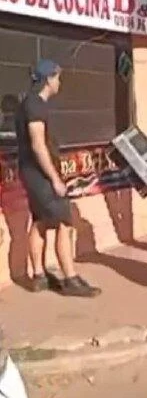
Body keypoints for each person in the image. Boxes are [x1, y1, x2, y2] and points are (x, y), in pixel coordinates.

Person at [15, 59, 100, 297]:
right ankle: (70, 279)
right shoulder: (35, 106)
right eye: (57, 78)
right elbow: (38, 145)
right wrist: (54, 178)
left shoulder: (27, 104)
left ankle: (39, 277)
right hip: (40, 174)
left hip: (31, 173)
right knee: (65, 221)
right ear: (48, 79)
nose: (59, 82)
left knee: (41, 221)